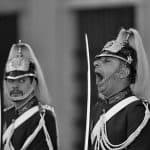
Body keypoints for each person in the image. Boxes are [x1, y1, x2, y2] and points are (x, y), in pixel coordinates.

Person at [89, 28, 150, 150]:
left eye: (107, 61)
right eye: (98, 61)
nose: (96, 63)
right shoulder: (98, 109)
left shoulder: (137, 111)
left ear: (123, 72)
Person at [2, 41, 58, 150]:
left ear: (33, 83)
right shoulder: (5, 115)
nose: (15, 86)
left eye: (22, 80)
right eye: (11, 81)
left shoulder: (43, 116)